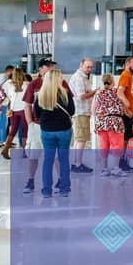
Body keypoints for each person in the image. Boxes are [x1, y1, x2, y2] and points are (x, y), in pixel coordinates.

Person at [22, 59, 68, 194]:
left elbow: (69, 103)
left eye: (52, 67)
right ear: (41, 69)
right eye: (49, 67)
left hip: (56, 127)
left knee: (57, 156)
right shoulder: (34, 85)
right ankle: (30, 180)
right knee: (33, 155)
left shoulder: (62, 84)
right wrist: (30, 124)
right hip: (37, 126)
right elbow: (27, 105)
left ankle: (61, 179)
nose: (51, 69)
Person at [33, 69, 75, 198]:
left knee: (48, 160)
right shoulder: (66, 94)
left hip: (47, 131)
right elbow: (72, 111)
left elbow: (37, 114)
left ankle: (46, 190)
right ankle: (64, 189)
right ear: (58, 79)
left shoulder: (40, 95)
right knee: (63, 160)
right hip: (64, 130)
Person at [92, 74, 128, 177]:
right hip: (114, 121)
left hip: (101, 122)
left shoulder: (98, 93)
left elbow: (93, 109)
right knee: (117, 145)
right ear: (113, 82)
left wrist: (98, 120)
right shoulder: (117, 92)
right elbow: (125, 104)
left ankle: (104, 169)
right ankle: (115, 168)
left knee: (104, 145)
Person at [69, 59, 97, 173]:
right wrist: (95, 91)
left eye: (91, 67)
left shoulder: (83, 77)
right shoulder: (79, 78)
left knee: (78, 139)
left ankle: (76, 162)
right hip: (81, 111)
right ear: (81, 65)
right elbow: (81, 96)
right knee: (81, 139)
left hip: (81, 112)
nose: (89, 69)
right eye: (87, 67)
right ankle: (78, 164)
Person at [116, 57, 133, 172]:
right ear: (127, 64)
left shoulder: (129, 76)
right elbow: (119, 93)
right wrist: (127, 108)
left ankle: (123, 161)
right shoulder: (126, 75)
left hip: (128, 114)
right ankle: (121, 161)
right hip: (125, 114)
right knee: (124, 139)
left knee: (127, 138)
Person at [1, 68, 27, 159]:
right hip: (24, 110)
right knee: (24, 131)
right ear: (23, 74)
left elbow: (4, 93)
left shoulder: (8, 84)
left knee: (13, 130)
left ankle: (5, 149)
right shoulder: (26, 84)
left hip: (12, 110)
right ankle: (24, 152)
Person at [0, 64, 13, 144]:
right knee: (3, 123)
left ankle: (2, 140)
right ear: (9, 71)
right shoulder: (5, 79)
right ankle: (2, 141)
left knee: (2, 123)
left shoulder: (4, 78)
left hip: (2, 104)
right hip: (2, 104)